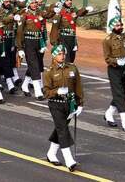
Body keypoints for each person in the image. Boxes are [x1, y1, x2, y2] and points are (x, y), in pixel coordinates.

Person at [43, 44, 83, 172]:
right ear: (54, 56)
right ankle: (69, 160)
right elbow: (46, 92)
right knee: (63, 130)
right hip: (56, 104)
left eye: (63, 54)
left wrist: (80, 103)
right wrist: (57, 91)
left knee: (60, 129)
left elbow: (78, 87)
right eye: (59, 54)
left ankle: (51, 154)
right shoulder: (49, 72)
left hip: (69, 104)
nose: (62, 56)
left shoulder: (72, 68)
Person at [102, 15, 125, 133]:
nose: (120, 26)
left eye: (121, 24)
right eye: (117, 25)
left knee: (120, 94)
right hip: (114, 70)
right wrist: (117, 61)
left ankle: (109, 113)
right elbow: (107, 59)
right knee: (119, 95)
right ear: (112, 27)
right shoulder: (107, 41)